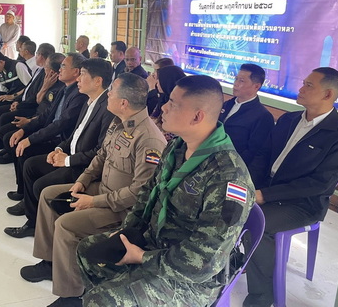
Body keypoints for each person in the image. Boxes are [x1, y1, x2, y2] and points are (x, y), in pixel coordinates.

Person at [77, 75, 255, 307]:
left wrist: (142, 257)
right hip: (154, 242)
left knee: (100, 301)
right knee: (88, 252)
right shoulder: (176, 148)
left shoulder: (228, 176)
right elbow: (147, 194)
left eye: (172, 103)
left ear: (197, 116)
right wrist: (126, 232)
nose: (163, 107)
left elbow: (204, 262)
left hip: (189, 278)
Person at [20, 73, 167, 307]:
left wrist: (93, 202)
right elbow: (101, 156)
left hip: (121, 208)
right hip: (101, 189)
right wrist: (83, 180)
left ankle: (72, 294)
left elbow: (139, 193)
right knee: (49, 195)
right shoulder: (118, 121)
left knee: (66, 225)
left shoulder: (149, 139)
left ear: (123, 103)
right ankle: (50, 263)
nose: (107, 94)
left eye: (112, 91)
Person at [243, 67, 338, 307]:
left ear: (328, 94)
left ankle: (262, 297)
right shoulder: (289, 119)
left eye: (309, 85)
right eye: (303, 83)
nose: (301, 89)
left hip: (302, 203)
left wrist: (265, 195)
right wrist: (249, 185)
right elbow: (263, 156)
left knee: (257, 226)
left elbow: (319, 184)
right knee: (225, 204)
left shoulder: (337, 134)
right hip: (266, 188)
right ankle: (232, 263)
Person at [4, 58, 115, 238]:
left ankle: (47, 230)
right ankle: (32, 221)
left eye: (83, 74)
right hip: (69, 154)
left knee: (41, 185)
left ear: (97, 81)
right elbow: (75, 134)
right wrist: (58, 149)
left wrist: (68, 160)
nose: (78, 79)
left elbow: (100, 151)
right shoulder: (90, 101)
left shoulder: (107, 109)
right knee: (31, 165)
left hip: (84, 167)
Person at [219, 64, 274, 166]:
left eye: (241, 81)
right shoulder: (227, 104)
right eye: (236, 79)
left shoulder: (263, 116)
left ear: (256, 86)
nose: (236, 84)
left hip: (233, 166)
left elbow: (254, 153)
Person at [0, 49, 32, 150]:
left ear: (1, 62)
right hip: (11, 96)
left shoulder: (18, 66)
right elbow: (3, 90)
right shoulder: (0, 72)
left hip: (22, 98)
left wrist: (14, 96)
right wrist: (6, 97)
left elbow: (30, 87)